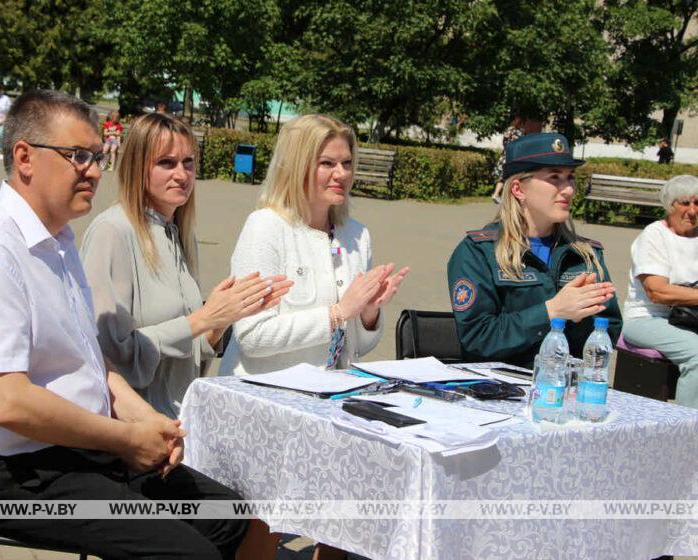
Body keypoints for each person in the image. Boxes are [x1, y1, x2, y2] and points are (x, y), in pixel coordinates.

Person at [0, 89, 250, 559]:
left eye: (98, 156)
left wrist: (149, 423)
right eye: (78, 156)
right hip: (12, 476)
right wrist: (124, 439)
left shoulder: (58, 242)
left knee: (229, 517)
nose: (96, 171)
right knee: (186, 552)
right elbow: (7, 402)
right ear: (24, 158)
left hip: (76, 452)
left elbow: (89, 361)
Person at [80, 112, 292, 419]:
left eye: (188, 162)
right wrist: (202, 318)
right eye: (166, 163)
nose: (182, 174)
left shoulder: (179, 233)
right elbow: (109, 356)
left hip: (180, 418)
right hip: (134, 427)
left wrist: (223, 320)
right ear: (138, 167)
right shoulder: (112, 232)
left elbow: (184, 355)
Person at [219, 114, 409, 376]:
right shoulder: (265, 227)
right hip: (266, 396)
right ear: (297, 167)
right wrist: (338, 313)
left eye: (346, 163)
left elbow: (356, 349)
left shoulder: (356, 235)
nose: (341, 174)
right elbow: (252, 337)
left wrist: (368, 312)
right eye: (327, 163)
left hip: (328, 394)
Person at [448, 132, 622, 367]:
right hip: (499, 390)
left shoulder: (585, 255)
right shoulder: (479, 253)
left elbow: (607, 333)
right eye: (554, 178)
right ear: (519, 189)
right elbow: (478, 338)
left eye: (570, 177)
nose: (568, 189)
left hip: (566, 389)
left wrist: (581, 321)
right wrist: (552, 311)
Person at [622, 175, 698, 409]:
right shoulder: (654, 235)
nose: (692, 211)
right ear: (669, 206)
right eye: (684, 203)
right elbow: (658, 292)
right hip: (646, 318)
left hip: (690, 317)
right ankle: (684, 430)